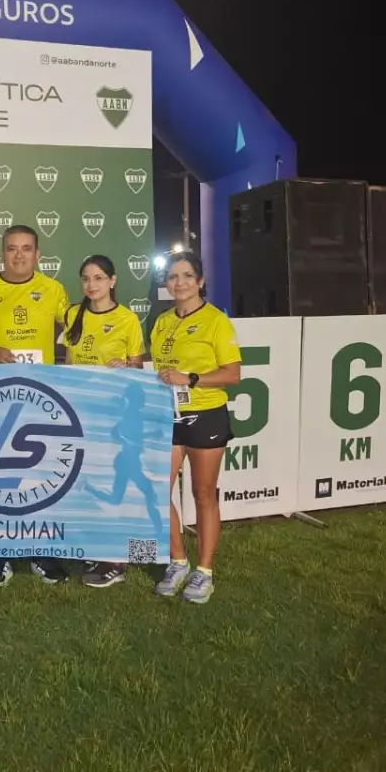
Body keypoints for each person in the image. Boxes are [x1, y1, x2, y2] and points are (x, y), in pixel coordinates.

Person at [0, 224, 70, 584]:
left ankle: (42, 555)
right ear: (2, 253)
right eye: (12, 249)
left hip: (42, 399)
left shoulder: (53, 290)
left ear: (38, 255)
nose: (20, 255)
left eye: (27, 249)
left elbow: (77, 333)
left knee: (43, 478)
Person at [150, 250, 241, 605]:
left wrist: (191, 379)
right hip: (167, 415)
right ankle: (177, 561)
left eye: (187, 276)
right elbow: (158, 368)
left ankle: (204, 571)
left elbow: (233, 374)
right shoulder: (161, 321)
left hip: (206, 415)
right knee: (159, 491)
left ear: (200, 281)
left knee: (204, 494)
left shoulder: (216, 321)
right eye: (173, 276)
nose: (179, 282)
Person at [61, 254, 149, 589]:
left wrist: (125, 369)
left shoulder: (127, 319)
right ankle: (95, 548)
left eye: (99, 278)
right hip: (81, 413)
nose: (91, 284)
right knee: (86, 481)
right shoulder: (73, 314)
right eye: (86, 278)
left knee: (117, 483)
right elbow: (69, 361)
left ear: (112, 281)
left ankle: (117, 559)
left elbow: (137, 371)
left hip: (114, 416)